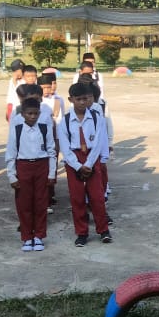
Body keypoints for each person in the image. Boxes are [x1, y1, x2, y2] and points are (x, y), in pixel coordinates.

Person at [57, 82, 112, 245]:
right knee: (77, 198)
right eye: (78, 99)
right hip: (73, 159)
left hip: (91, 157)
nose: (82, 102)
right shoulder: (65, 121)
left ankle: (103, 230)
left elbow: (98, 143)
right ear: (71, 100)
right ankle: (82, 232)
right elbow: (65, 147)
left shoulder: (96, 118)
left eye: (85, 99)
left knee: (97, 196)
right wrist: (77, 166)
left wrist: (89, 163)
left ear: (90, 99)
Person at [6, 97, 57, 252]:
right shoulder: (17, 129)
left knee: (41, 203)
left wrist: (52, 173)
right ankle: (27, 237)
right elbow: (11, 153)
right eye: (29, 113)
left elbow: (51, 151)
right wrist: (12, 175)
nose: (33, 117)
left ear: (39, 113)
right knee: (24, 203)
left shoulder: (44, 128)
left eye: (35, 113)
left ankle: (39, 236)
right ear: (22, 114)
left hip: (41, 165)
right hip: (23, 166)